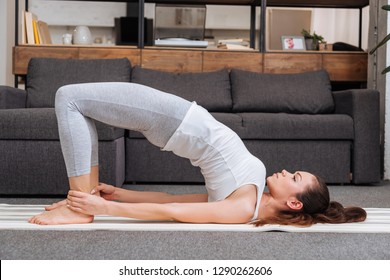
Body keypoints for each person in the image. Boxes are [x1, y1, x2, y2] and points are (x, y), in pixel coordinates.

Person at [28, 82, 366, 226]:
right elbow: (174, 199)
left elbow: (175, 212)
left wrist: (107, 208)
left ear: (294, 202)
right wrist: (121, 193)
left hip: (175, 118)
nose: (287, 171)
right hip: (177, 120)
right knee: (78, 106)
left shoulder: (241, 208)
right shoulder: (250, 199)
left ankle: (79, 208)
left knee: (68, 98)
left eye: (295, 178)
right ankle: (79, 200)